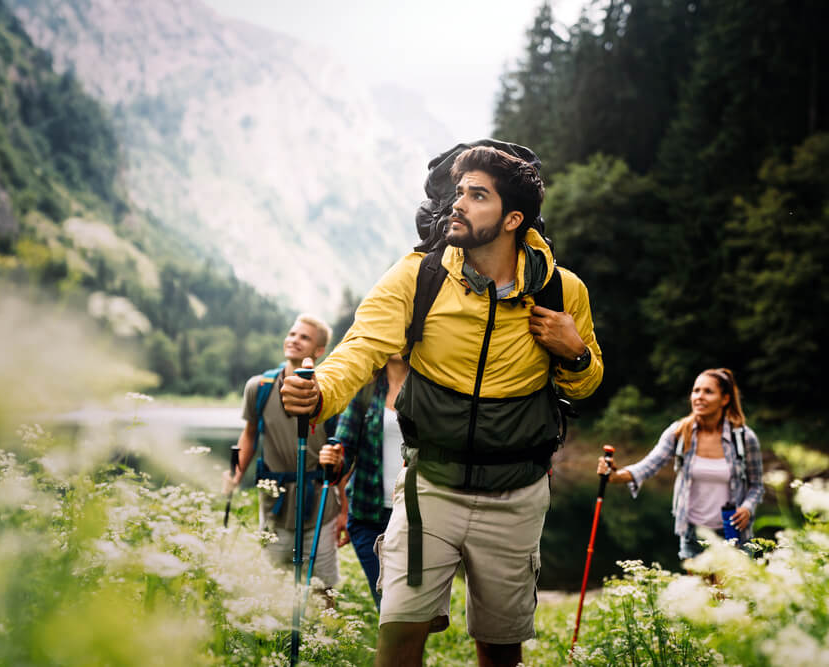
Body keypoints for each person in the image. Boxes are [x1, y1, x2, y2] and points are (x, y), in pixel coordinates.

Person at [282, 146, 604, 667]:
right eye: (459, 192)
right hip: (428, 487)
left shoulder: (561, 290)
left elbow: (587, 384)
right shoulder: (419, 276)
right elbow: (361, 346)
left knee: (500, 653)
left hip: (517, 496)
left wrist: (575, 350)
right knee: (397, 639)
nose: (459, 204)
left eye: (478, 195)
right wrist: (319, 392)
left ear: (512, 218)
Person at [222, 314, 345, 591]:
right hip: (274, 502)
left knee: (322, 588)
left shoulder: (330, 392)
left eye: (305, 337)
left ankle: (323, 634)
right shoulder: (260, 388)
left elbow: (343, 454)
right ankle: (276, 635)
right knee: (272, 586)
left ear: (319, 350)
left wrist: (344, 509)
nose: (294, 340)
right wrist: (236, 474)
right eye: (292, 334)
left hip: (320, 505)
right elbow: (250, 435)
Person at [596, 368, 763, 560]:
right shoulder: (680, 432)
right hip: (692, 534)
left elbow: (757, 486)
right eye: (696, 390)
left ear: (725, 399)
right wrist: (615, 476)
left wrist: (748, 508)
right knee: (698, 591)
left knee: (727, 591)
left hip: (732, 535)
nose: (699, 397)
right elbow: (649, 465)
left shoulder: (743, 438)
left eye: (708, 392)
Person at [334, 353, 409, 609]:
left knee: (407, 605)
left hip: (414, 516)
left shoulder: (430, 387)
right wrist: (333, 460)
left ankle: (404, 649)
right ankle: (392, 649)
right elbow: (344, 450)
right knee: (386, 603)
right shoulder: (365, 390)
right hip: (368, 516)